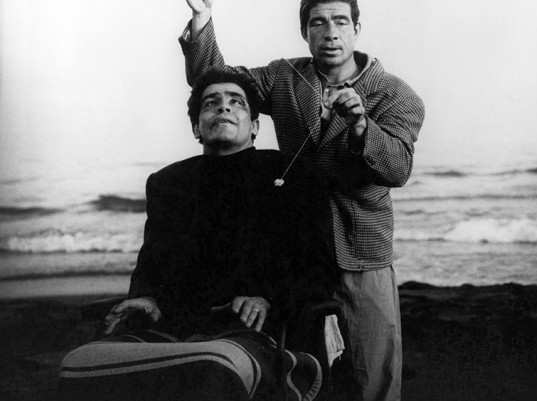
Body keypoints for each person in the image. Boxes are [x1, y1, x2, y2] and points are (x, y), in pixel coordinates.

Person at [179, 0, 425, 401]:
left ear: (356, 28)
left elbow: (398, 168)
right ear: (304, 32)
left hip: (359, 253)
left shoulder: (396, 94)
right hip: (294, 255)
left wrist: (362, 125)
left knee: (373, 380)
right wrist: (202, 19)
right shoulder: (284, 76)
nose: (330, 33)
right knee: (299, 373)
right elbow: (213, 81)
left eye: (340, 22)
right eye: (318, 23)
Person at [58, 68, 338, 401]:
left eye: (237, 102)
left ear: (255, 126)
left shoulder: (294, 174)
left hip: (259, 330)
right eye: (211, 103)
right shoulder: (168, 183)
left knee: (214, 365)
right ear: (196, 128)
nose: (224, 107)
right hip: (176, 327)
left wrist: (270, 300)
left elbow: (320, 271)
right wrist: (145, 296)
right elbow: (152, 263)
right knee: (78, 362)